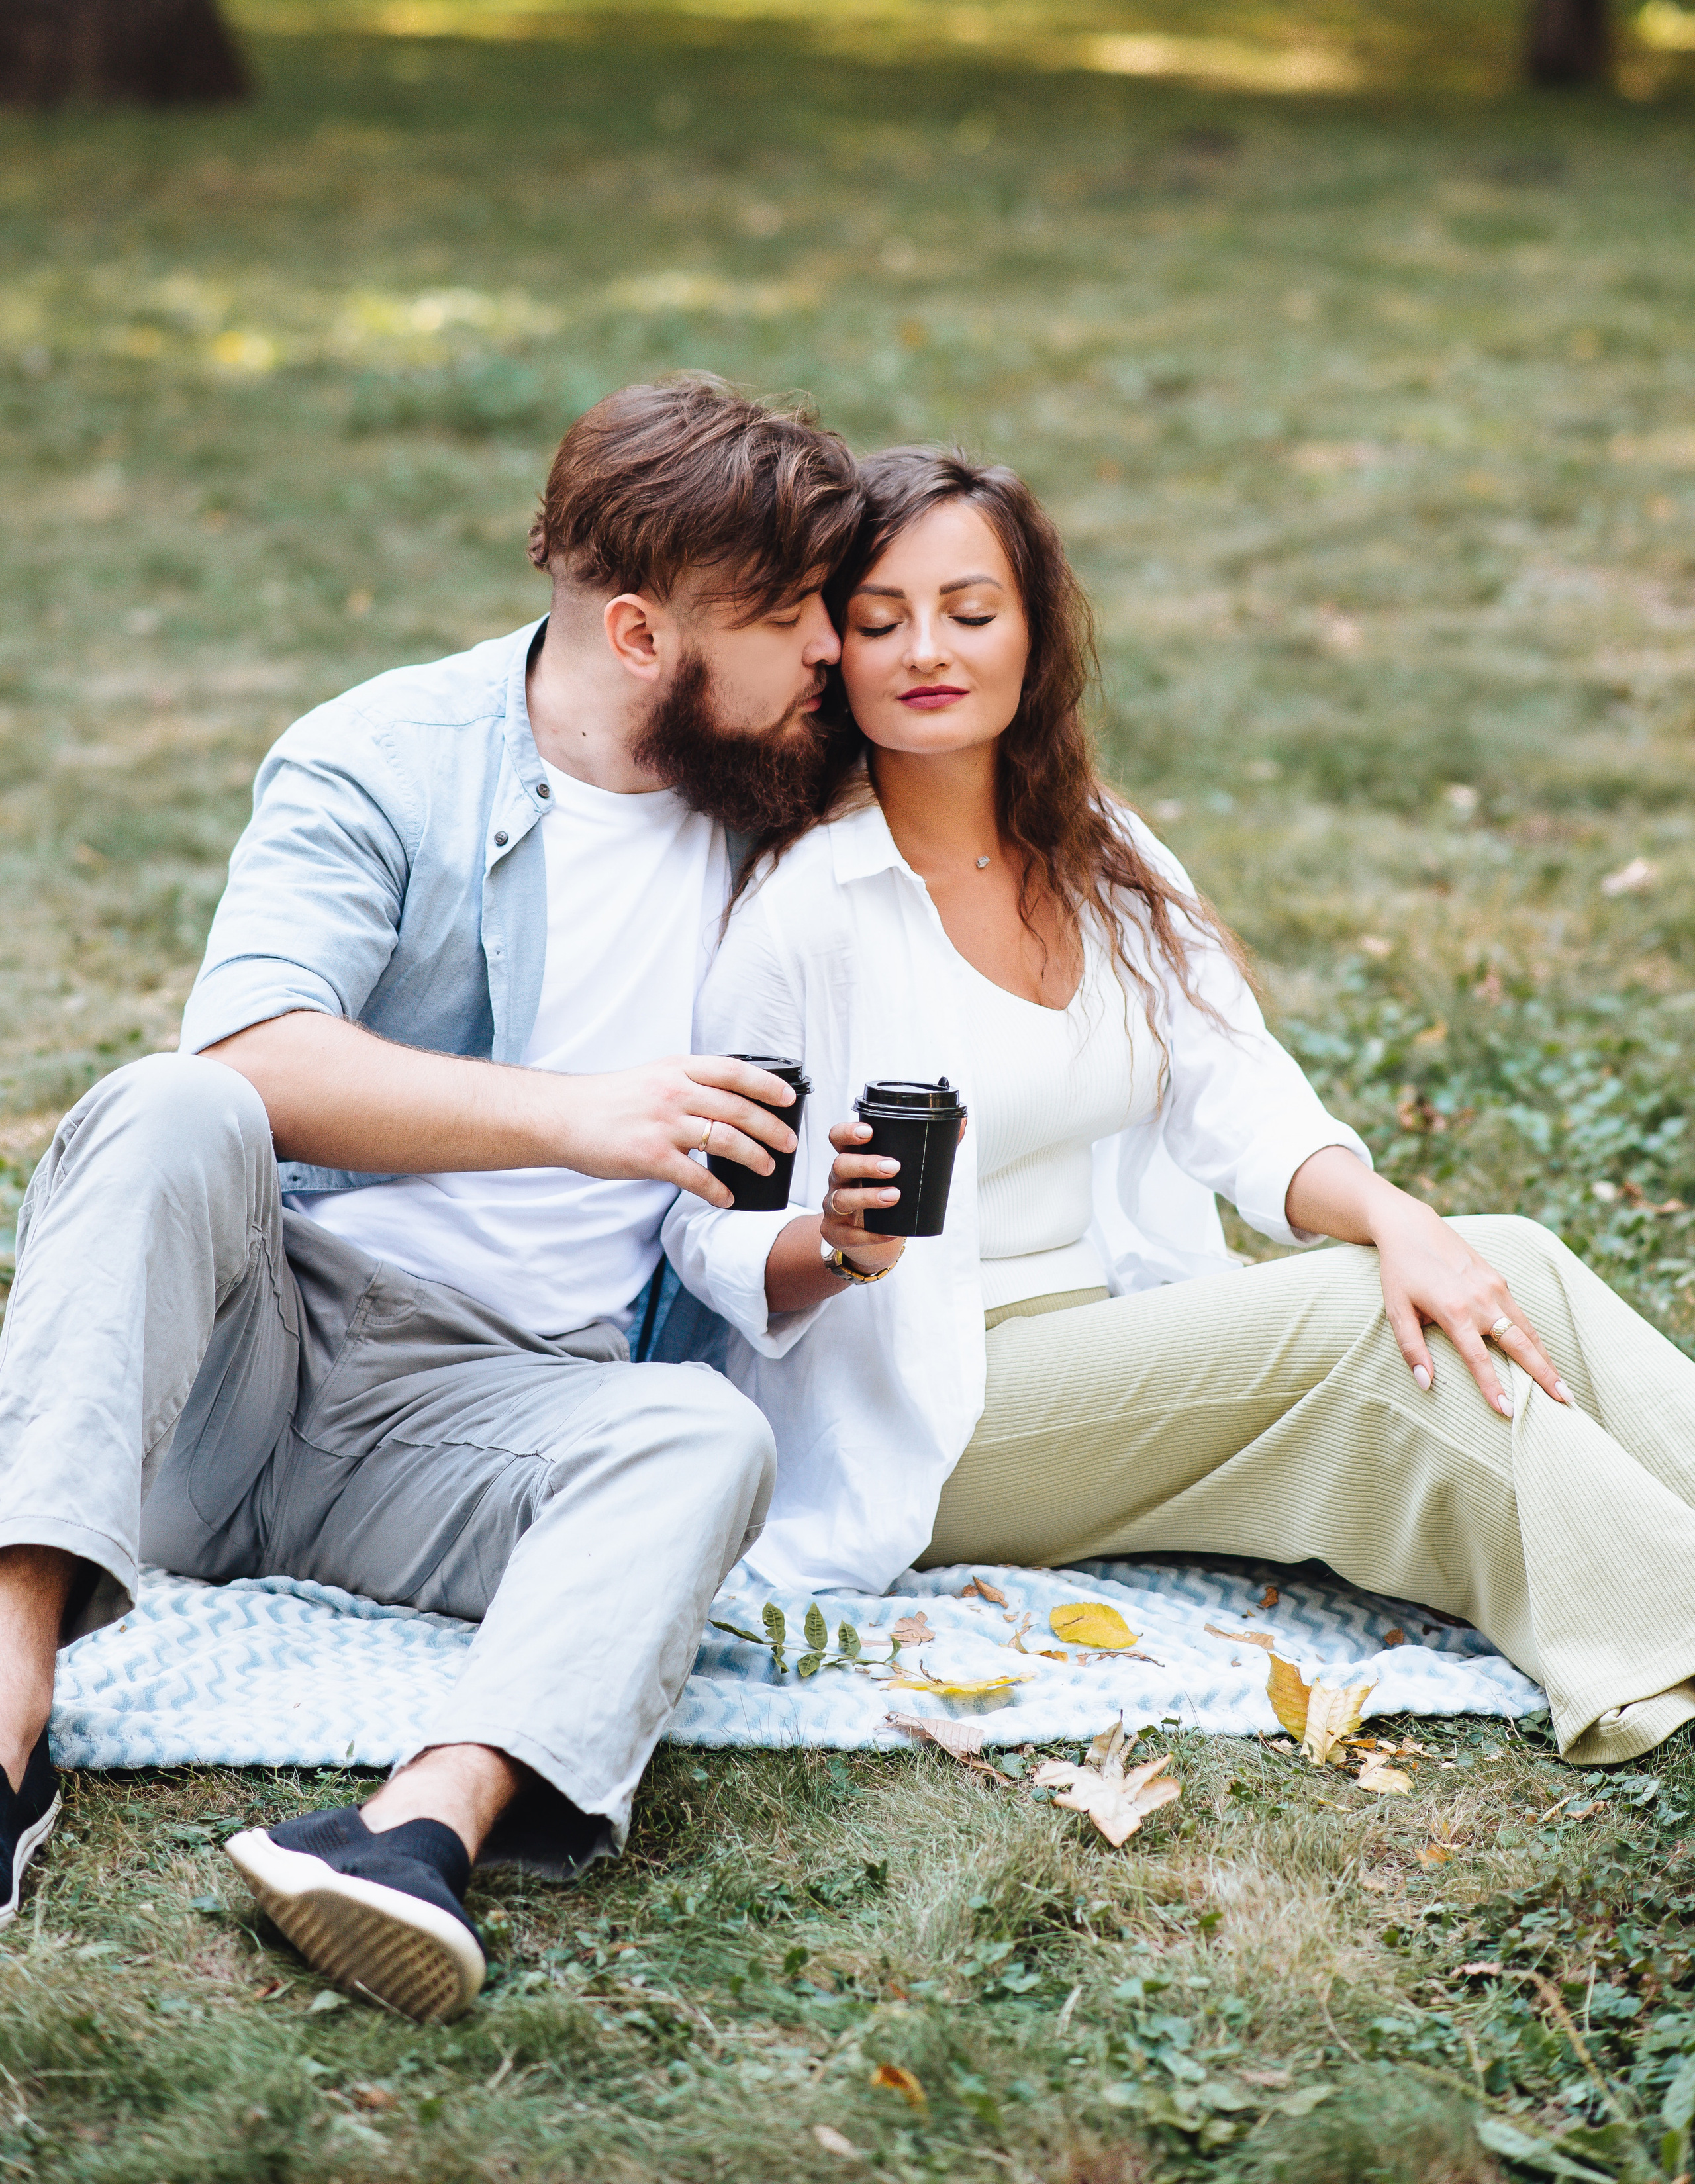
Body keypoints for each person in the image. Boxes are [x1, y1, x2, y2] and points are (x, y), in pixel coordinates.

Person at [0, 377, 863, 2020]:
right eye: (787, 616)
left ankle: (410, 1835)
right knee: (173, 1101)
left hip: (480, 1423)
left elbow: (1028, 810)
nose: (828, 648)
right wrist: (576, 1120)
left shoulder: (783, 799)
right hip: (246, 1356)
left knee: (701, 1433)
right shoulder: (382, 755)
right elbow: (258, 1048)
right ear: (636, 634)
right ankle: (2, 1717)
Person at [666, 446, 1695, 1772]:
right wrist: (840, 1241)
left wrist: (1393, 1211)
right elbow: (706, 1234)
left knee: (1497, 1258)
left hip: (1108, 1325)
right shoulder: (805, 914)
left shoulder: (1099, 848)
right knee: (1358, 1331)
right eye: (879, 620)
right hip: (923, 1405)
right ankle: (1655, 1627)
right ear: (836, 652)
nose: (926, 647)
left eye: (969, 611)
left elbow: (1236, 1091)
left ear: (1032, 633)